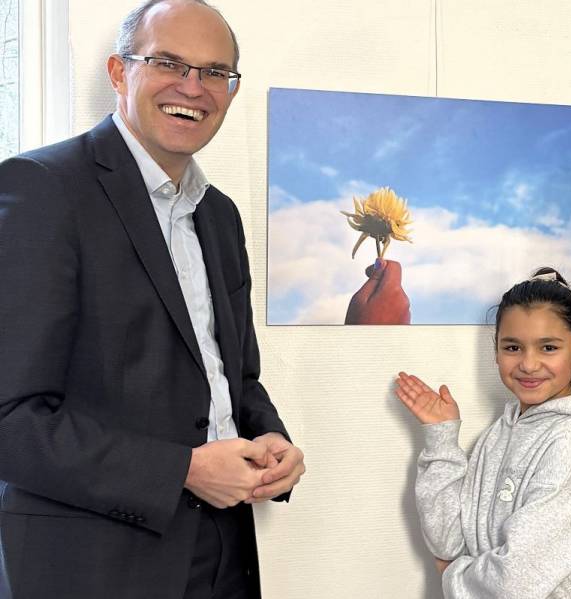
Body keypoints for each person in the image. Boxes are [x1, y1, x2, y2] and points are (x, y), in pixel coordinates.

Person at [0, 1, 305, 597]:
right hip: (94, 567)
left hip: (224, 551)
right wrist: (183, 470)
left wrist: (272, 439)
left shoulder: (219, 215)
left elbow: (235, 379)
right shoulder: (42, 189)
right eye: (168, 62)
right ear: (119, 72)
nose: (193, 87)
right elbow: (10, 421)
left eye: (214, 72)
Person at [395, 267, 571, 598]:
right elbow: (447, 542)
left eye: (549, 348)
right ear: (496, 350)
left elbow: (516, 581)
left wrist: (453, 577)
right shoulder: (501, 432)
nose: (529, 364)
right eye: (513, 348)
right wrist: (442, 439)